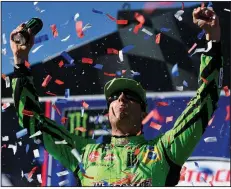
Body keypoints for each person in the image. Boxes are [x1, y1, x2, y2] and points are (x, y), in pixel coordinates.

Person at [10, 7, 223, 186]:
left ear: (143, 113)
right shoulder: (83, 152)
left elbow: (204, 102)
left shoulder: (164, 150)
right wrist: (20, 62)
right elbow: (31, 119)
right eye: (114, 97)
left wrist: (212, 40)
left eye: (130, 96)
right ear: (107, 112)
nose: (121, 98)